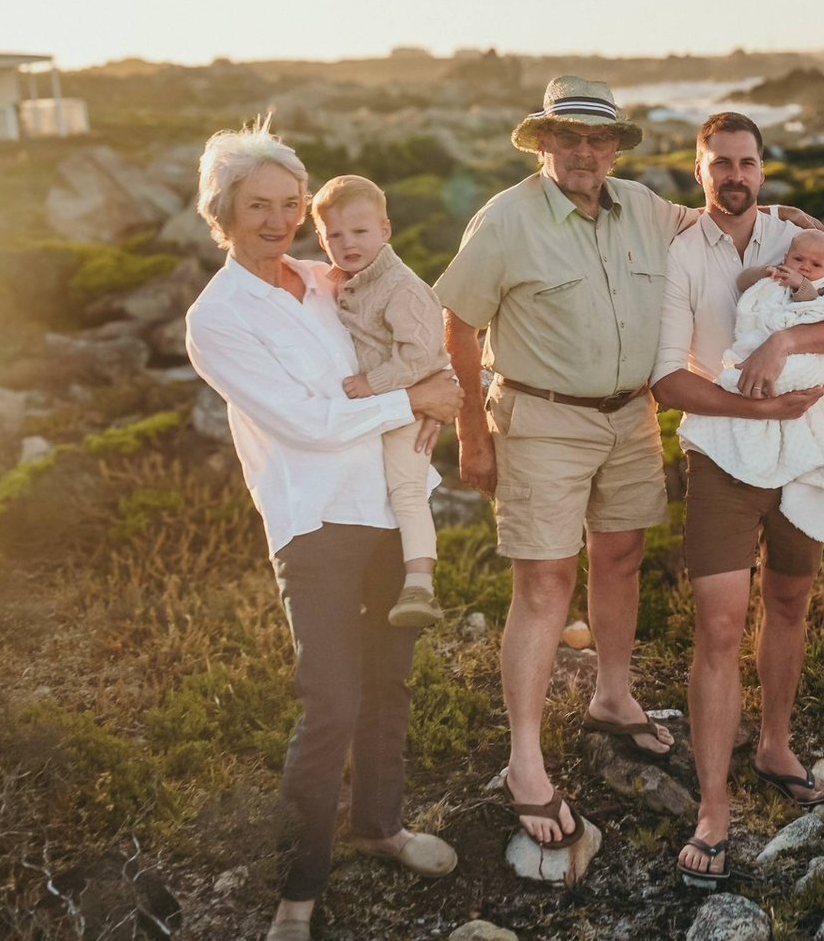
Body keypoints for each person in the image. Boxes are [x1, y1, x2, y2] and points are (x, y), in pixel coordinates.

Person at [183, 120, 464, 941]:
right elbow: (306, 422)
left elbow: (403, 331)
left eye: (288, 204)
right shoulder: (218, 316)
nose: (276, 219)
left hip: (384, 505)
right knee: (331, 701)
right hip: (312, 522)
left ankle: (379, 826)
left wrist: (436, 380)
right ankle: (298, 887)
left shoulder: (322, 278)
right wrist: (414, 400)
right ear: (223, 212)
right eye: (257, 205)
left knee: (388, 687)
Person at [432, 77, 696, 876]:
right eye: (569, 138)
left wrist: (795, 224)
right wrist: (470, 432)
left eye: (599, 139)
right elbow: (458, 324)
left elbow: (725, 232)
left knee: (618, 558)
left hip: (630, 417)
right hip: (540, 416)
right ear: (543, 143)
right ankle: (524, 760)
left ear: (616, 148)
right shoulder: (506, 218)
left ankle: (612, 695)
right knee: (544, 584)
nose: (585, 152)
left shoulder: (648, 209)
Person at [652, 111, 824, 888]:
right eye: (721, 162)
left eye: (747, 161)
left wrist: (783, 344)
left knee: (789, 599)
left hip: (803, 452)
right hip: (723, 452)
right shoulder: (681, 253)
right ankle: (713, 808)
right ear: (700, 168)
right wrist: (754, 407)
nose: (734, 174)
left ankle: (774, 744)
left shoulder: (796, 236)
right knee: (718, 626)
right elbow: (667, 379)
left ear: (763, 170)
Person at [312, 174, 451, 627]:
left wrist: (373, 382)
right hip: (378, 411)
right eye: (335, 234)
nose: (348, 243)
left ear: (385, 230)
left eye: (360, 231)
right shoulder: (346, 281)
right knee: (383, 491)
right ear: (321, 238)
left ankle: (420, 586)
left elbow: (421, 353)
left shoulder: (401, 286)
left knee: (407, 491)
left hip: (408, 405)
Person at [677, 225, 824, 524]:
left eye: (816, 265)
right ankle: (748, 386)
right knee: (743, 368)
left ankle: (763, 385)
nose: (806, 268)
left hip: (796, 350)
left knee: (791, 372)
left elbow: (815, 305)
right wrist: (766, 273)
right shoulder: (774, 277)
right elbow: (744, 283)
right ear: (787, 256)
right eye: (799, 260)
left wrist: (800, 285)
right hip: (755, 346)